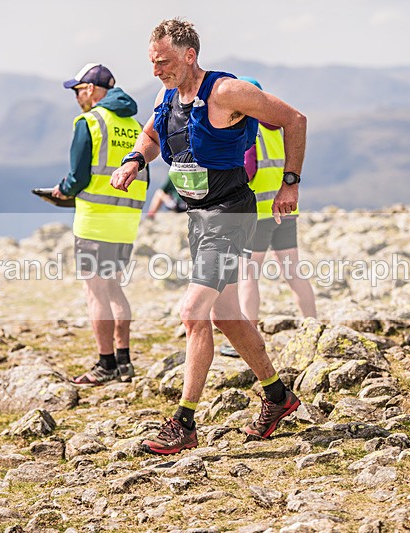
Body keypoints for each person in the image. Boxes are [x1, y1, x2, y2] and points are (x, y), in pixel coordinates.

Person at [111, 19, 307, 454]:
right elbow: (151, 135)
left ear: (189, 56)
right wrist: (133, 162)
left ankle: (184, 423)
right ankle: (279, 398)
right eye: (152, 63)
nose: (156, 70)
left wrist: (289, 183)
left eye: (163, 62)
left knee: (193, 313)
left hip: (231, 214)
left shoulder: (226, 91)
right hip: (199, 217)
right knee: (228, 317)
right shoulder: (166, 95)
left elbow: (294, 119)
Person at [51, 63, 148, 385]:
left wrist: (61, 191)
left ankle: (105, 364)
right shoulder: (135, 126)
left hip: (94, 222)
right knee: (114, 287)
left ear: (91, 89)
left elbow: (78, 176)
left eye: (78, 91)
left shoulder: (89, 122)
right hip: (126, 221)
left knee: (95, 293)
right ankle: (124, 362)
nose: (77, 97)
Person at [219, 77, 317, 358]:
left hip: (259, 212)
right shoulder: (278, 127)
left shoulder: (249, 129)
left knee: (248, 274)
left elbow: (247, 170)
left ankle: (247, 335)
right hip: (286, 209)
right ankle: (312, 327)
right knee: (293, 271)